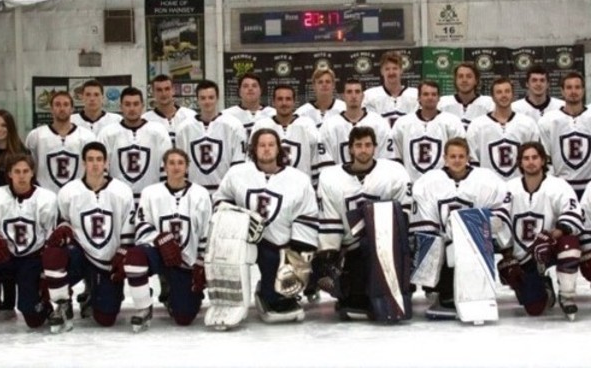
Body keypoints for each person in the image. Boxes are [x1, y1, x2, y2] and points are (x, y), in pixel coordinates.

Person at [212, 128, 319, 322]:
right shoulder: (237, 173)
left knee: (278, 293)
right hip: (244, 241)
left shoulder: (299, 180)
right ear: (254, 149)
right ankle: (229, 299)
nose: (267, 149)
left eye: (271, 145)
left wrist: (296, 252)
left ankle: (270, 292)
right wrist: (241, 217)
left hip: (279, 244)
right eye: (262, 145)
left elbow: (307, 213)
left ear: (279, 149)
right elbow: (220, 200)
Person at [410, 137, 511, 319]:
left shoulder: (485, 179)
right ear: (445, 158)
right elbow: (426, 225)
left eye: (461, 156)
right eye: (452, 156)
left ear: (468, 158)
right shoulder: (429, 182)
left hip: (476, 244)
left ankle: (474, 293)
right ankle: (442, 290)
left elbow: (500, 211)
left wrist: (479, 228)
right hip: (444, 244)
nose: (457, 160)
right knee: (439, 247)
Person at [316, 126, 412, 317]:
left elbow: (404, 214)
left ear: (375, 147)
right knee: (347, 288)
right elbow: (330, 219)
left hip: (386, 247)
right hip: (350, 247)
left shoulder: (393, 172)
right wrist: (330, 255)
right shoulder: (331, 177)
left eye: (368, 145)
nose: (363, 150)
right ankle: (350, 293)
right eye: (358, 145)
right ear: (350, 149)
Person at [42, 142, 135, 333]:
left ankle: (94, 295)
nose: (95, 164)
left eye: (99, 159)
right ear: (83, 163)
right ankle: (62, 302)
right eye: (90, 159)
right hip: (79, 254)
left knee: (106, 318)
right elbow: (62, 222)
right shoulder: (69, 191)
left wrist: (124, 249)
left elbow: (128, 223)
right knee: (53, 254)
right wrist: (63, 227)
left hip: (108, 259)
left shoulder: (122, 191)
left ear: (106, 163)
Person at [123, 148, 212, 331]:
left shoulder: (200, 194)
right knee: (134, 257)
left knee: (184, 317)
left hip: (186, 262)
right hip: (158, 253)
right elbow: (141, 225)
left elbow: (206, 230)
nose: (176, 167)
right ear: (164, 166)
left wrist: (201, 262)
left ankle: (173, 293)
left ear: (187, 167)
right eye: (171, 163)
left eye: (180, 163)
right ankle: (143, 307)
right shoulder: (150, 193)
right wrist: (160, 238)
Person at [502, 142, 582, 319]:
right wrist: (507, 255)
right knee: (535, 308)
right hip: (524, 255)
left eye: (535, 157)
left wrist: (553, 235)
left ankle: (567, 296)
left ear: (543, 160)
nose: (531, 162)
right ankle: (544, 286)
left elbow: (573, 213)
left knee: (569, 243)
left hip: (551, 247)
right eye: (526, 158)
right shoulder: (509, 188)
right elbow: (500, 221)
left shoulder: (558, 185)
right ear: (520, 162)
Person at [0, 154, 56, 329]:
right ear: (9, 173)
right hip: (3, 257)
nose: (21, 176)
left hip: (31, 260)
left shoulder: (46, 198)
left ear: (32, 173)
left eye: (25, 171)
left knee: (33, 320)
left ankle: (43, 304)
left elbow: (51, 238)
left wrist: (45, 271)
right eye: (17, 171)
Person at [98, 86, 172, 204]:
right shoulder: (108, 133)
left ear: (142, 106)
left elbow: (167, 168)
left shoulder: (158, 131)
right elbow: (101, 170)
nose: (132, 108)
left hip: (151, 199)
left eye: (136, 104)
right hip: (117, 200)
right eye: (127, 104)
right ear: (120, 107)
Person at [251, 84, 333, 186]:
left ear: (294, 102)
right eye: (280, 99)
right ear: (273, 102)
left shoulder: (307, 125)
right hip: (268, 188)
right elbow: (251, 160)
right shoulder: (261, 125)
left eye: (288, 99)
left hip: (300, 188)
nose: (284, 103)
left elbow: (319, 159)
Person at [175, 80, 246, 195]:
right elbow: (181, 165)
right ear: (197, 100)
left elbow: (238, 165)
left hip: (224, 193)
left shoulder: (233, 126)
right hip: (193, 193)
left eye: (211, 97)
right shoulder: (184, 128)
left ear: (217, 98)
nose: (207, 102)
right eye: (203, 98)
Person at [0, 109, 28, 320]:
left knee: (7, 254)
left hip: (11, 210)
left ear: (10, 128)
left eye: (3, 125)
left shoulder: (20, 152)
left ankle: (8, 304)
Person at [466, 77, 539, 180]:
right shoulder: (477, 126)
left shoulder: (527, 123)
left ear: (513, 95)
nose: (504, 95)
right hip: (489, 185)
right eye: (499, 92)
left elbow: (535, 157)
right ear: (492, 97)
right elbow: (473, 161)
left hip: (519, 185)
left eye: (507, 91)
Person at [392, 80, 465, 182]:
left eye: (434, 94)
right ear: (419, 98)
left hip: (442, 183)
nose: (430, 97)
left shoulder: (452, 122)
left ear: (439, 98)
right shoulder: (403, 123)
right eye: (426, 94)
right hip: (411, 183)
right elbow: (397, 155)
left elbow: (458, 154)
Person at [25, 91, 96, 194]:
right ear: (51, 109)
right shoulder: (36, 136)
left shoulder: (87, 137)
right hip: (44, 195)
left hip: (77, 195)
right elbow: (28, 167)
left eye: (66, 105)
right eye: (57, 105)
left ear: (72, 109)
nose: (62, 108)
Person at [538, 72, 590, 199]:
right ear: (562, 91)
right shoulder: (549, 120)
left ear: (583, 90)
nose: (573, 91)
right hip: (561, 187)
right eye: (569, 87)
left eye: (577, 87)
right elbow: (545, 158)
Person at [320, 79, 393, 164]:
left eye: (357, 92)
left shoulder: (379, 123)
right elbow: (326, 161)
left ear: (363, 96)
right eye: (349, 92)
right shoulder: (329, 126)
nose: (353, 96)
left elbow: (386, 159)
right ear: (343, 96)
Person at [363, 51, 419, 128]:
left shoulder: (415, 96)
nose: (391, 72)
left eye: (395, 68)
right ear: (382, 71)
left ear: (401, 70)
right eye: (387, 69)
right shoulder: (370, 96)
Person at [438, 62, 494, 129]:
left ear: (476, 80)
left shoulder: (489, 104)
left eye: (469, 76)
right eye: (460, 76)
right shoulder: (442, 103)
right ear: (455, 80)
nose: (464, 80)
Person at [143, 74, 194, 145]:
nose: (164, 94)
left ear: (173, 90)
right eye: (159, 90)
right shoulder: (145, 120)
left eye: (167, 89)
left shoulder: (190, 116)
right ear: (153, 93)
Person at [223, 73, 276, 139]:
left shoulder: (273, 114)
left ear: (260, 91)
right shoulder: (227, 115)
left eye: (254, 86)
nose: (250, 89)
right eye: (245, 86)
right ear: (239, 91)